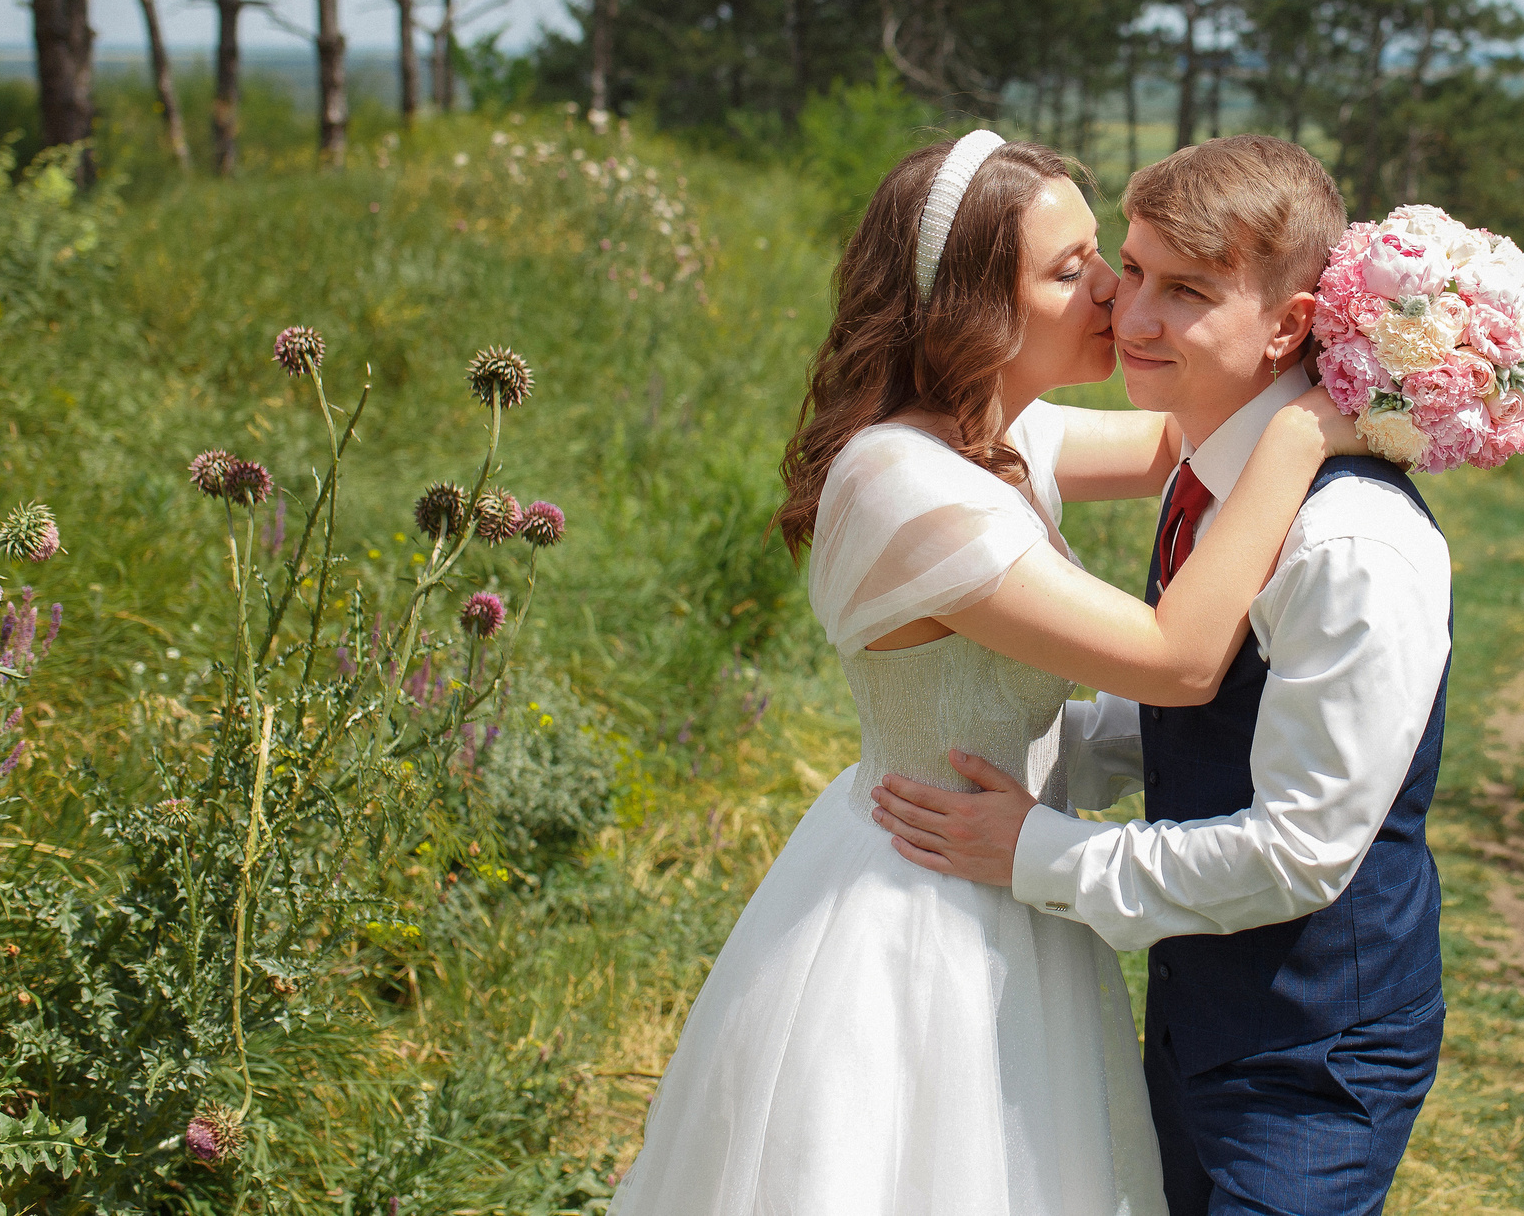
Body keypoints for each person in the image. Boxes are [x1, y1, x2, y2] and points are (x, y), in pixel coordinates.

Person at [605, 131, 1363, 1216]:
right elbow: (1176, 660)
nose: (1113, 288)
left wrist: (1333, 336)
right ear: (972, 311)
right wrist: (1299, 437)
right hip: (923, 902)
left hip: (1009, 871)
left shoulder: (991, 435)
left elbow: (1175, 440)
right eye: (1070, 272)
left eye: (1103, 253)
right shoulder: (905, 487)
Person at [874, 136, 1455, 1216]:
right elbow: (1210, 719)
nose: (1132, 316)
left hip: (1310, 1052)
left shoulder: (1350, 547)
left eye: (1186, 290)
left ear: (1288, 324)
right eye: (1130, 270)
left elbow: (1298, 853)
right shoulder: (1210, 466)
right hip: (1201, 1005)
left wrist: (1039, 850)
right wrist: (1025, 753)